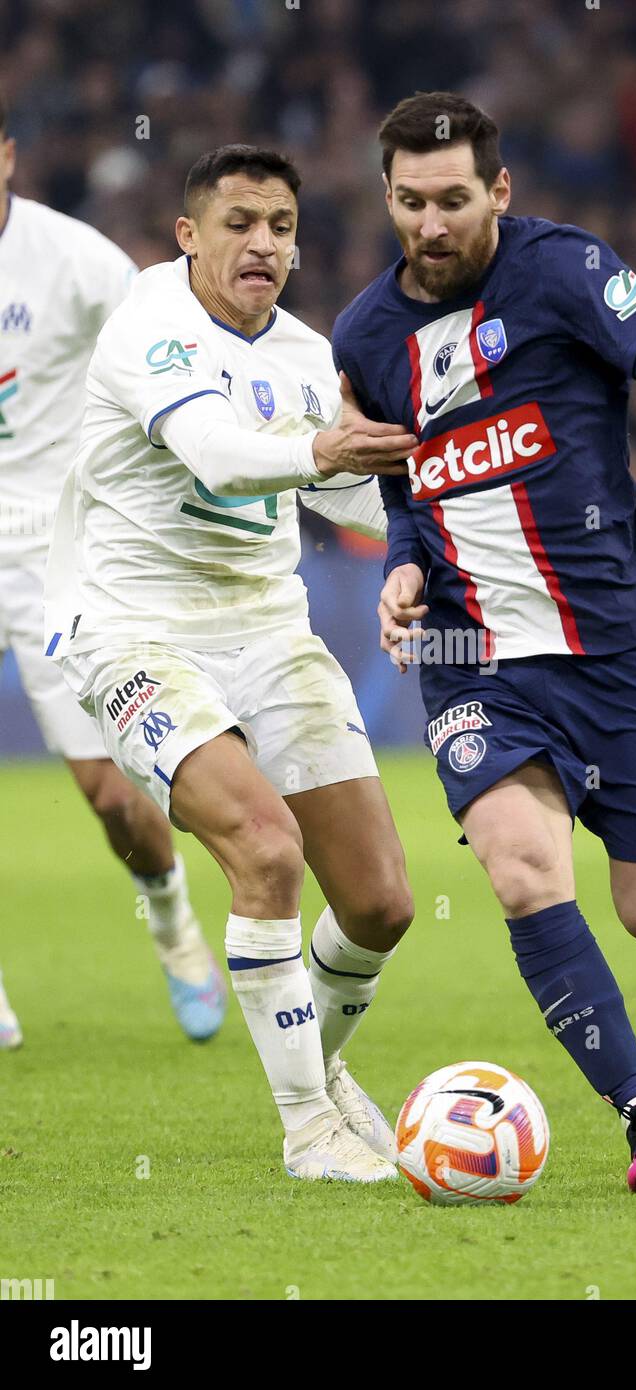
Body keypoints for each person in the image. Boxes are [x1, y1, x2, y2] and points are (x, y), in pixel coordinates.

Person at [333, 92, 636, 1193]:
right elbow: (404, 486)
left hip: (614, 640)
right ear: (387, 199)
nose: (432, 224)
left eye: (455, 200)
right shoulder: (366, 337)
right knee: (522, 875)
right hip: (472, 658)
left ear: (499, 191)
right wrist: (402, 565)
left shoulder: (563, 271)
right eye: (412, 203)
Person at [45, 144, 416, 1181]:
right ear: (189, 235)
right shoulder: (148, 327)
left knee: (381, 904)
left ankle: (318, 1072)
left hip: (266, 626)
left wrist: (426, 513)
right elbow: (220, 453)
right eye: (242, 222)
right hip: (133, 631)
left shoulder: (303, 352)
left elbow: (335, 491)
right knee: (264, 849)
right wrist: (327, 454)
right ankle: (306, 1131)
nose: (263, 244)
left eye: (283, 227)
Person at [0, 88, 224, 1048]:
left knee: (108, 789)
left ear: (7, 155)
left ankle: (170, 914)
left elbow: (157, 340)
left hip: (48, 546)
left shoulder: (75, 260)